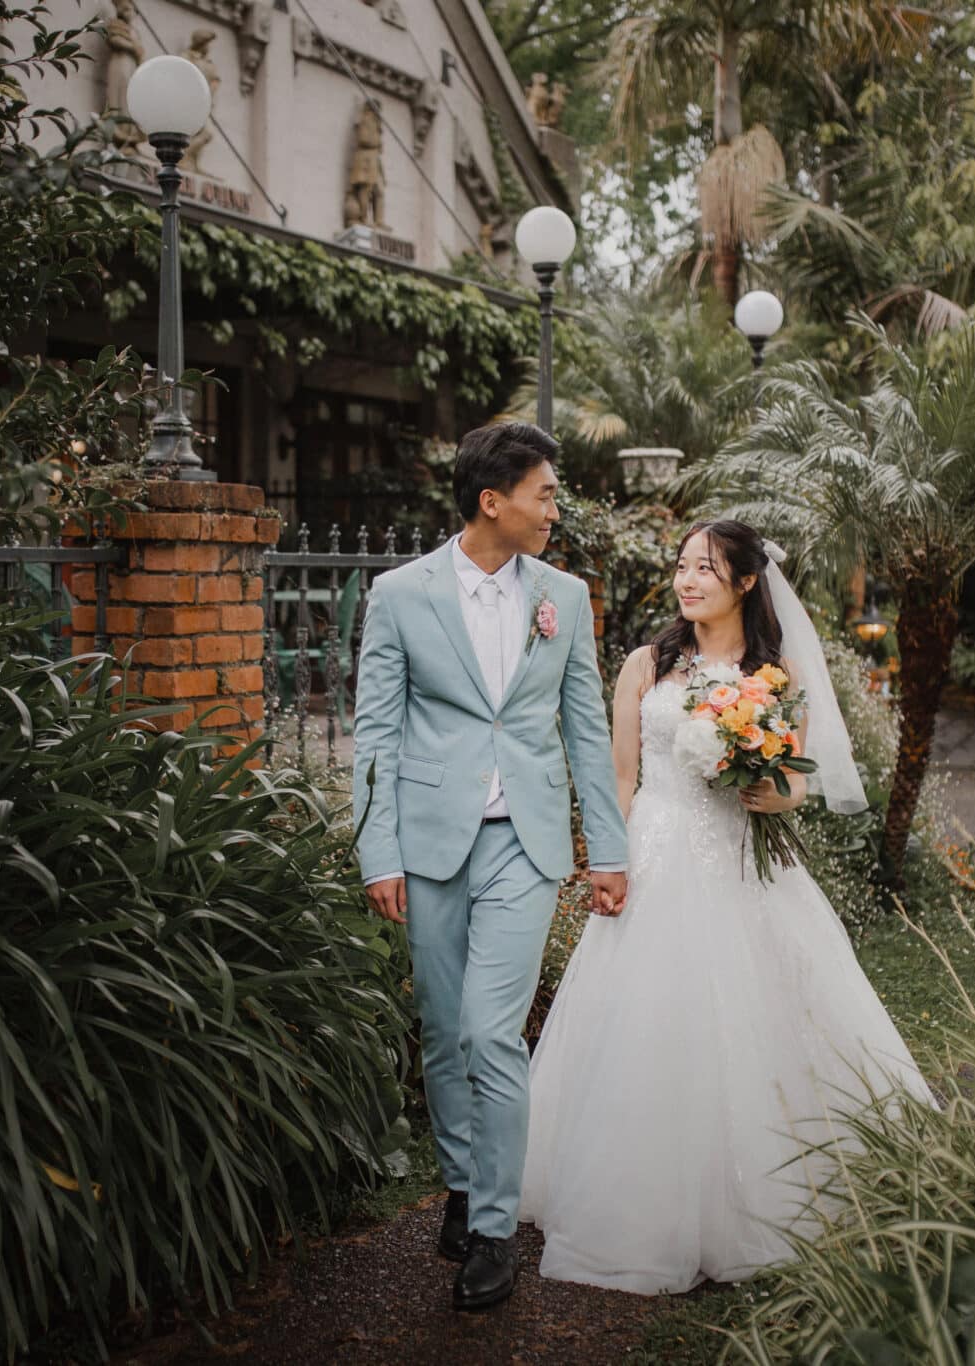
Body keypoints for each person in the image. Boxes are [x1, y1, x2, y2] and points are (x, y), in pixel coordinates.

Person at [518, 518, 940, 1295]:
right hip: (654, 853)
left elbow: (794, 787)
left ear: (746, 581)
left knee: (761, 1012)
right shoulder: (647, 665)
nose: (687, 580)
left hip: (743, 860)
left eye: (705, 568)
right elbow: (619, 778)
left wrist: (768, 789)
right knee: (644, 1017)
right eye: (682, 566)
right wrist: (606, 859)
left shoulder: (775, 678)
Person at [351, 422, 629, 1311]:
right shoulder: (399, 595)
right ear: (492, 502)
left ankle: (495, 1231)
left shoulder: (567, 598)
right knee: (440, 1031)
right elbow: (376, 733)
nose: (557, 509)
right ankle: (465, 1184)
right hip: (430, 842)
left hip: (528, 841)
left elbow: (585, 728)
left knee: (488, 1032)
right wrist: (378, 851)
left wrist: (609, 850)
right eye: (546, 494)